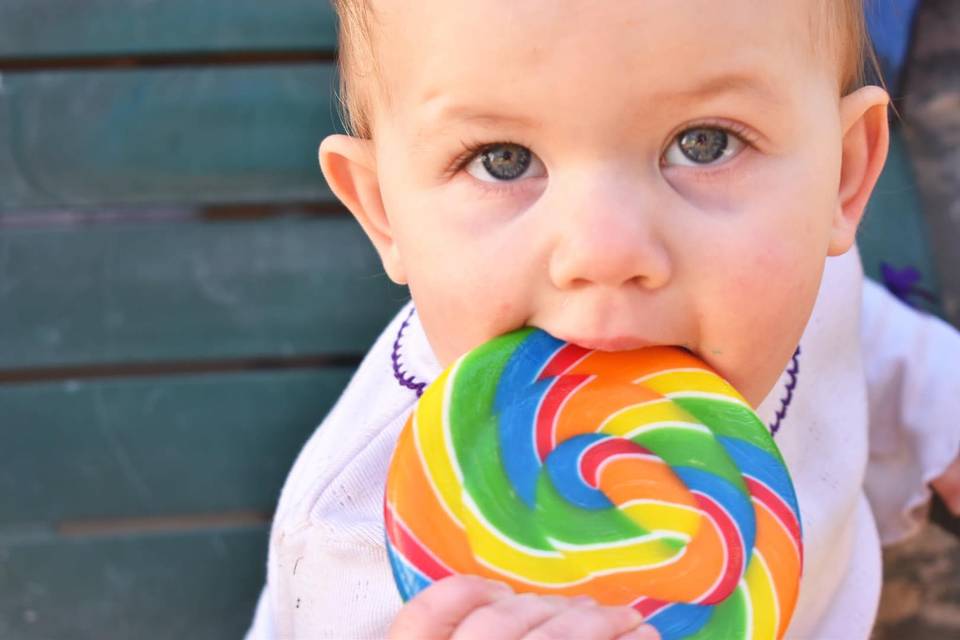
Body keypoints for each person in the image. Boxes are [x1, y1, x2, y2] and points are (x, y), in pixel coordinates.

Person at [246, 0, 960, 637]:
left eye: (704, 143)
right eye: (502, 159)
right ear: (382, 211)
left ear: (839, 175)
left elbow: (864, 333)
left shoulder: (805, 279)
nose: (604, 251)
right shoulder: (353, 538)